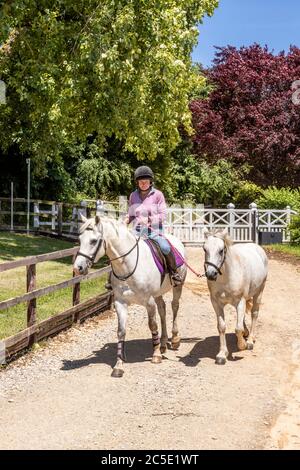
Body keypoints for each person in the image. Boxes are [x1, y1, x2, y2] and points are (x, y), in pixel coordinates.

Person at [106, 165, 184, 289]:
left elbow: (163, 215)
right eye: (140, 182)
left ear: (150, 181)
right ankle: (112, 278)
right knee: (119, 247)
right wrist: (125, 220)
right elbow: (131, 213)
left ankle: (174, 273)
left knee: (165, 247)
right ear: (137, 182)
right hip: (137, 231)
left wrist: (149, 219)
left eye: (145, 181)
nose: (143, 184)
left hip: (154, 231)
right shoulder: (133, 196)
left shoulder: (158, 195)